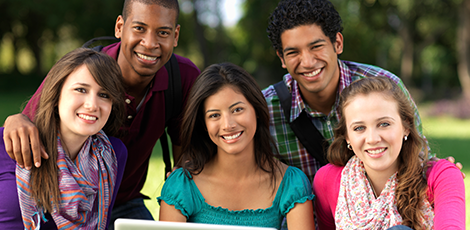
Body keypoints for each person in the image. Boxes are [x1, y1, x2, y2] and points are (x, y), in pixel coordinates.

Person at [2, 0, 200, 225]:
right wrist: (16, 119)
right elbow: (34, 121)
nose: (149, 43)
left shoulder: (183, 78)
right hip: (62, 198)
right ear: (119, 27)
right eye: (139, 28)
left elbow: (188, 154)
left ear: (175, 36)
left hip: (126, 200)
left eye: (163, 32)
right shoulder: (82, 69)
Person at [262, 0, 463, 182]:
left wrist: (442, 174)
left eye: (316, 47)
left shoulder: (385, 88)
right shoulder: (265, 110)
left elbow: (417, 159)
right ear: (281, 58)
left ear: (337, 43)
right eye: (293, 52)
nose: (307, 62)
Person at [157, 63, 314, 230]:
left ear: (257, 110)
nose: (228, 124)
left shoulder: (291, 183)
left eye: (237, 109)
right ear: (204, 124)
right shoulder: (182, 185)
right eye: (214, 115)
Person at [313, 76, 465, 229]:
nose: (372, 139)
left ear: (406, 126)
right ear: (347, 137)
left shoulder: (440, 176)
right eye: (359, 128)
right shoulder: (328, 181)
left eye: (384, 124)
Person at [0, 48, 128, 229]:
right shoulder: (6, 142)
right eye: (81, 89)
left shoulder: (113, 153)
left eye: (104, 95)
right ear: (56, 93)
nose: (92, 105)